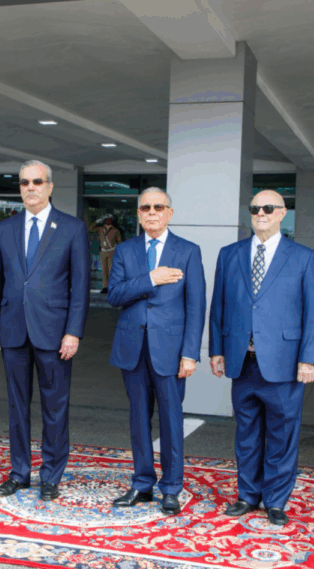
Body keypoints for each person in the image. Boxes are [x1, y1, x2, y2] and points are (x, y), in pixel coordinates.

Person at [209, 190, 314, 526]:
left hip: (285, 363)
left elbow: (313, 314)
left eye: (268, 208)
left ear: (282, 213)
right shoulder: (229, 254)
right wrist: (216, 349)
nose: (261, 213)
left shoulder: (303, 257)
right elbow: (219, 307)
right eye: (255, 208)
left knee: (281, 434)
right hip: (241, 361)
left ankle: (275, 499)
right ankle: (247, 495)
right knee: (245, 433)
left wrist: (308, 359)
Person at [0, 160, 90, 501]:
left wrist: (73, 331)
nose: (31, 187)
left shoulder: (72, 229)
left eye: (37, 182)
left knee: (55, 407)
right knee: (17, 407)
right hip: (12, 331)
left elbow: (81, 286)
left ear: (50, 186)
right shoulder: (4, 229)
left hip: (55, 334)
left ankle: (51, 476)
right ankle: (19, 472)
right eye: (25, 182)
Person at [106, 188, 204, 516]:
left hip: (171, 351)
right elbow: (115, 295)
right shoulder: (124, 250)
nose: (151, 212)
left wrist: (190, 353)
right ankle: (142, 483)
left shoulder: (188, 251)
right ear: (138, 214)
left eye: (158, 207)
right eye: (145, 207)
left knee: (171, 421)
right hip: (132, 348)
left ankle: (172, 488)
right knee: (138, 419)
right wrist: (151, 278)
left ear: (169, 213)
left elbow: (196, 306)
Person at [90, 214, 121, 293]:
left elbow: (119, 242)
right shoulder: (101, 229)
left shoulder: (115, 230)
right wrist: (98, 221)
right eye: (106, 219)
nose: (108, 221)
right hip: (103, 251)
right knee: (104, 270)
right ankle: (105, 287)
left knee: (111, 270)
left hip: (111, 251)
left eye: (109, 219)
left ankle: (111, 287)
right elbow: (90, 228)